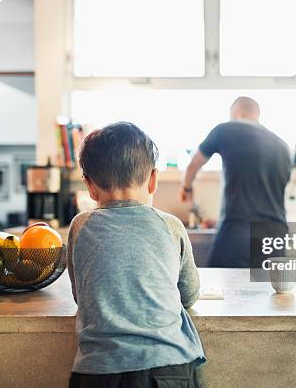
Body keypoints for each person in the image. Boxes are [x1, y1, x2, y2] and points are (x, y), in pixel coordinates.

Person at [68, 122, 206, 388]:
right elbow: (189, 294)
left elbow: (81, 296)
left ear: (90, 186)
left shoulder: (79, 226)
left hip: (97, 372)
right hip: (167, 366)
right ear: (153, 179)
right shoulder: (170, 225)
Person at [179, 97, 292, 268]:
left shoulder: (225, 130)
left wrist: (187, 187)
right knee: (267, 293)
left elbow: (194, 164)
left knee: (217, 289)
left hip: (237, 235)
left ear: (236, 111)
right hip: (275, 237)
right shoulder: (283, 146)